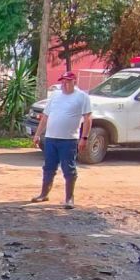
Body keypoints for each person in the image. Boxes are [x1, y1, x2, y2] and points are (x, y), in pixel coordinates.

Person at [31, 71, 92, 209]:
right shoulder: (55, 95)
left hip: (69, 140)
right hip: (51, 138)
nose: (64, 84)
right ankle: (43, 194)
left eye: (67, 82)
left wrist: (84, 138)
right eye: (62, 81)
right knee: (48, 167)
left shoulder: (82, 97)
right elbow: (45, 116)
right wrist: (38, 134)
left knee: (68, 169)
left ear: (74, 82)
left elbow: (88, 119)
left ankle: (69, 198)